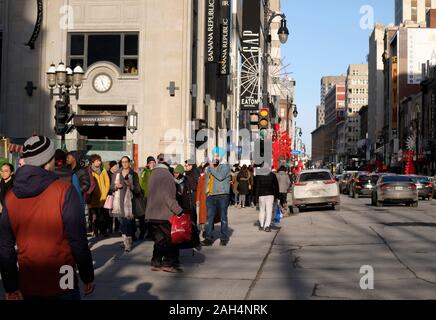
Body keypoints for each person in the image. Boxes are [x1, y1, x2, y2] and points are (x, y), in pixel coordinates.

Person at [0, 136, 94, 300]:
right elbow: (78, 240)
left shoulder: (10, 196)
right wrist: (87, 275)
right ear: (47, 160)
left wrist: (10, 286)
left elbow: (5, 246)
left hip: (28, 276)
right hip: (64, 273)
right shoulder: (64, 190)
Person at [145, 154, 183, 273]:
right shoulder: (167, 176)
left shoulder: (153, 174)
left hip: (152, 214)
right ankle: (168, 263)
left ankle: (156, 261)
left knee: (159, 239)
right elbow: (169, 198)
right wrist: (179, 211)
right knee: (170, 239)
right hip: (164, 214)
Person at [110, 156, 144, 252]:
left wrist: (130, 185)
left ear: (129, 163)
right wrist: (115, 186)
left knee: (128, 223)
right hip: (119, 203)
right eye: (122, 162)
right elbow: (111, 187)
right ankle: (126, 241)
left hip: (130, 203)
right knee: (122, 223)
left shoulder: (134, 174)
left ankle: (128, 244)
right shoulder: (116, 174)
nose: (124, 163)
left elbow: (138, 190)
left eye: (126, 162)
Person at [201, 148, 231, 246]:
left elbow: (220, 176)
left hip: (222, 195)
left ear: (221, 156)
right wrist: (206, 192)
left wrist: (211, 167)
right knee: (209, 218)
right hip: (211, 195)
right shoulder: (210, 167)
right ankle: (208, 238)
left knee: (223, 217)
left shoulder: (225, 166)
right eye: (214, 155)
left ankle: (224, 238)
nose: (215, 157)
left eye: (217, 155)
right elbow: (207, 180)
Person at [88, 154, 111, 237]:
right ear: (92, 162)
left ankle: (103, 231)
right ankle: (95, 231)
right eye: (97, 161)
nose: (99, 162)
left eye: (99, 160)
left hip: (102, 197)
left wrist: (105, 192)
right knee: (94, 216)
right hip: (93, 198)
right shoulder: (89, 171)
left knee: (103, 216)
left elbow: (107, 182)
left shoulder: (103, 170)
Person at [254, 163, 280, 232]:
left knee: (262, 210)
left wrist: (256, 198)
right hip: (270, 195)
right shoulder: (272, 175)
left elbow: (256, 187)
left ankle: (261, 225)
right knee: (269, 211)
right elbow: (276, 186)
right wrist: (277, 196)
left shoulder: (259, 176)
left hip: (261, 195)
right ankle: (267, 226)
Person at [138, 156, 156, 240]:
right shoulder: (144, 172)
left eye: (153, 162)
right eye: (150, 163)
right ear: (147, 164)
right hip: (145, 197)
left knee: (153, 216)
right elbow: (140, 183)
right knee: (144, 216)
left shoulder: (156, 172)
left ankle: (151, 233)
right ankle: (142, 232)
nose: (152, 164)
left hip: (155, 197)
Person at [108, 161, 120, 234]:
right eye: (114, 166)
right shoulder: (107, 174)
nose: (116, 168)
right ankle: (109, 228)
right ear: (111, 167)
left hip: (117, 195)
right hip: (110, 195)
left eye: (117, 166)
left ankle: (117, 228)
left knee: (117, 213)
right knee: (110, 213)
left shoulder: (118, 173)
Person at [196, 163, 209, 231]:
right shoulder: (201, 177)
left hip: (211, 198)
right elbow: (199, 189)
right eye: (206, 169)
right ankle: (204, 229)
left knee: (210, 215)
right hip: (203, 198)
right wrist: (197, 199)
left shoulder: (213, 177)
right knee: (203, 216)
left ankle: (209, 230)